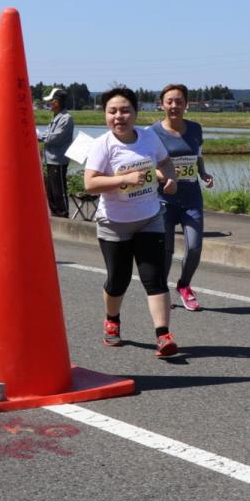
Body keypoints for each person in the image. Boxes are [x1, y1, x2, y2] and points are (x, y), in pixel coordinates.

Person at [84, 86, 180, 358]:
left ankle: (163, 336)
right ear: (105, 115)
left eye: (125, 110)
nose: (119, 116)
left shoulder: (149, 138)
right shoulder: (103, 144)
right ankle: (112, 320)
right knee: (118, 280)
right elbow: (90, 183)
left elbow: (165, 162)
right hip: (114, 222)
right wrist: (123, 180)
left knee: (155, 278)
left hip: (150, 217)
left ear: (136, 113)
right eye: (112, 111)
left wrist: (170, 179)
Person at [151, 84, 215, 311]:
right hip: (164, 199)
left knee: (195, 246)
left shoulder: (196, 129)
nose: (174, 106)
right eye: (169, 101)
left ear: (186, 105)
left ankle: (184, 286)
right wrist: (163, 177)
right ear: (162, 104)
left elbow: (197, 155)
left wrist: (204, 173)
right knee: (166, 251)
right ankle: (162, 291)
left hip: (191, 197)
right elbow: (149, 166)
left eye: (179, 101)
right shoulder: (152, 133)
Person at [37, 87, 74, 217]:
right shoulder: (57, 117)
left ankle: (63, 215)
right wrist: (42, 136)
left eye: (51, 101)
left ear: (58, 102)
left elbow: (54, 138)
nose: (49, 104)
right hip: (50, 159)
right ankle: (55, 214)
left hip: (58, 160)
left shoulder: (66, 118)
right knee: (51, 191)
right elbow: (48, 134)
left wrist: (38, 136)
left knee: (59, 191)